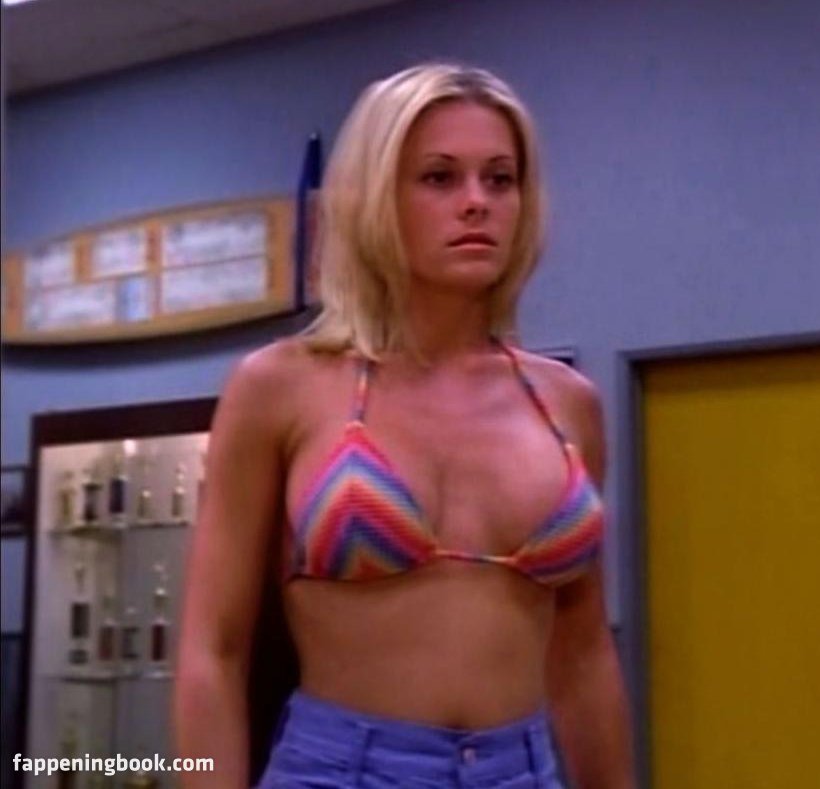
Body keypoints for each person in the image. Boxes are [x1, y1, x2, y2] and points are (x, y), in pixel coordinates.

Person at [173, 61, 635, 788]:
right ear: (376, 197)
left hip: (522, 770)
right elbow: (213, 650)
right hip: (342, 769)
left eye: (500, 179)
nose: (477, 202)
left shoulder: (566, 402)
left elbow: (583, 654)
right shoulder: (280, 386)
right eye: (439, 178)